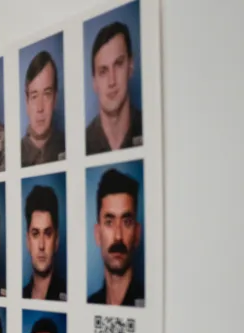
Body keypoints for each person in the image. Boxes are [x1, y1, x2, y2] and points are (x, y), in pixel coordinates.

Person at [88, 168, 143, 306]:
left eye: (126, 222)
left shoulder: (150, 301)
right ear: (97, 234)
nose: (118, 236)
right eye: (109, 222)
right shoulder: (90, 304)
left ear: (137, 233)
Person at [86, 21, 142, 154]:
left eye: (118, 64)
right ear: (94, 82)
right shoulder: (82, 143)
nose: (112, 81)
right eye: (103, 71)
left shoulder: (150, 127)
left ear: (131, 66)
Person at [22, 50, 65, 167]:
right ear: (27, 102)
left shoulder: (68, 145)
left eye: (47, 94)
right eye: (34, 96)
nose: (40, 108)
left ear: (55, 98)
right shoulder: (13, 155)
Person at [23, 185, 66, 301]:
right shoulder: (20, 295)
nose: (41, 245)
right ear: (28, 241)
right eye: (35, 234)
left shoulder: (69, 295)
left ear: (56, 240)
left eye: (47, 233)